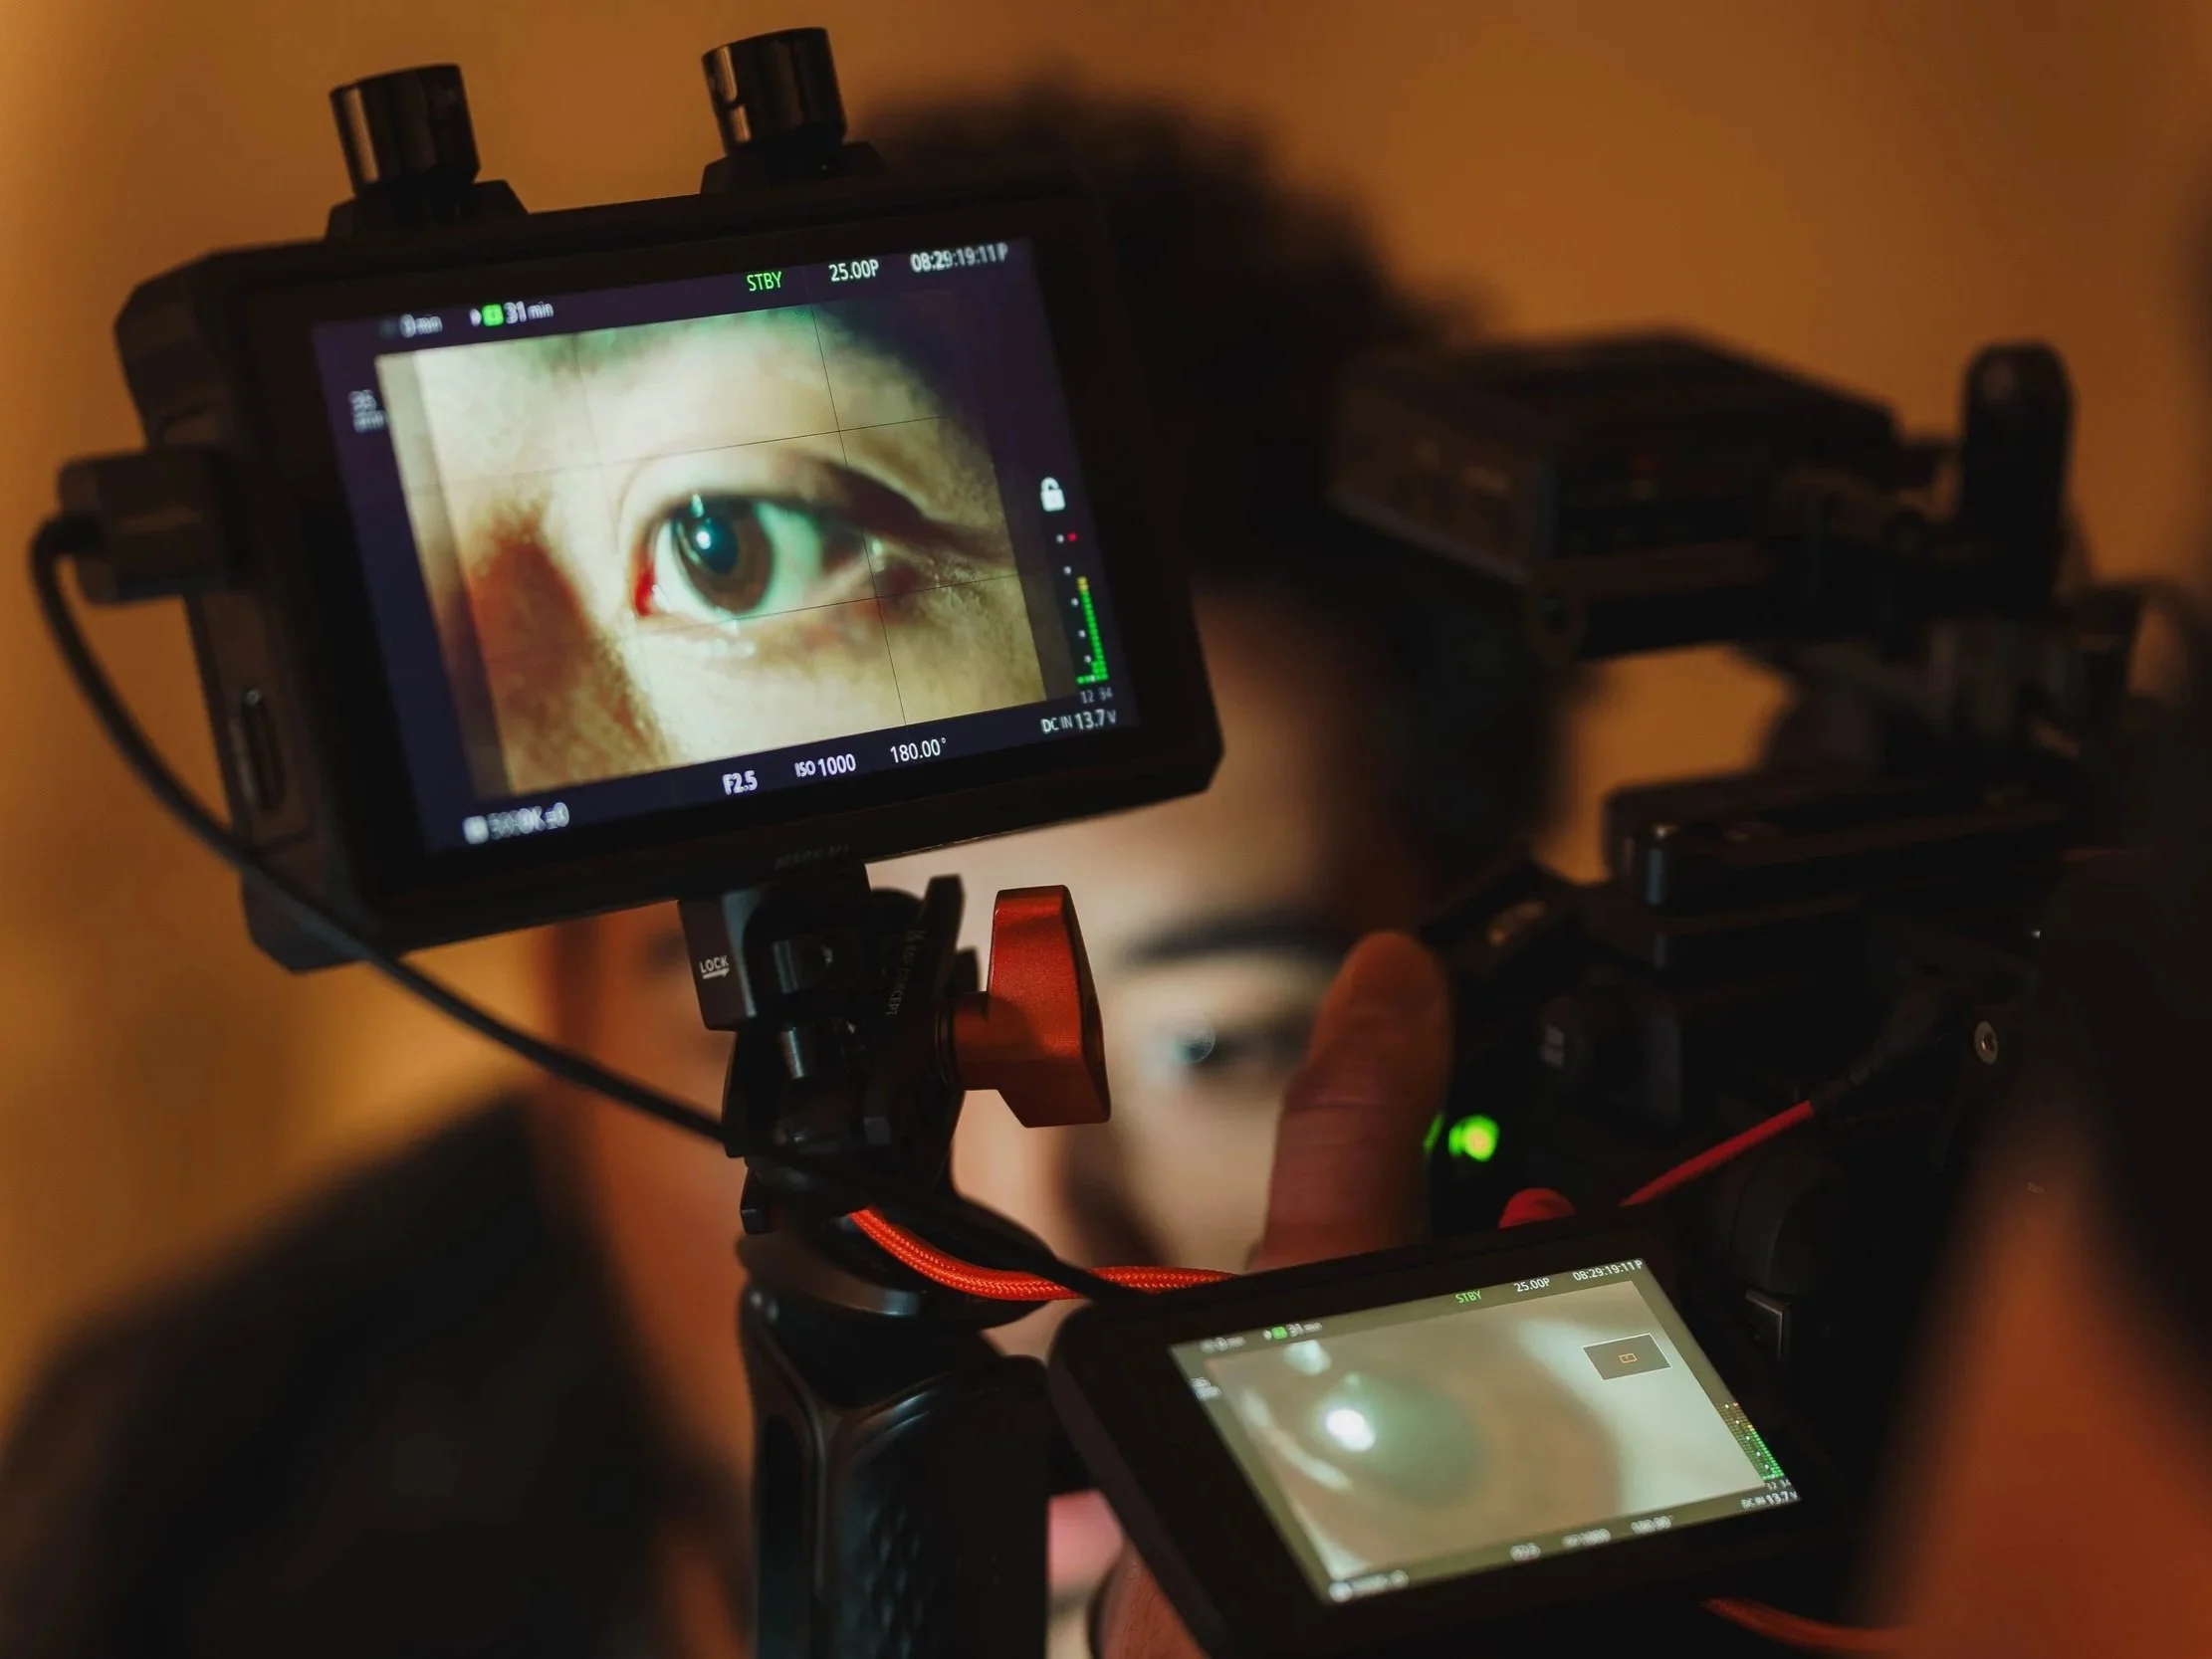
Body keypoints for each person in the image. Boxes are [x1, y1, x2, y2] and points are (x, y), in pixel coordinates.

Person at [0, 89, 1556, 1659]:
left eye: (1215, 1045)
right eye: (808, 1050)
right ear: (560, 1047)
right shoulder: (150, 1548)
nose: (1008, 1278)